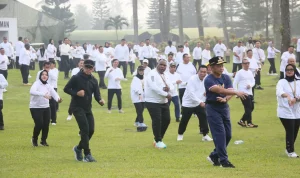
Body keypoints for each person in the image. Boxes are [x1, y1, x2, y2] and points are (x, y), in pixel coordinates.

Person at [205, 57, 248, 168]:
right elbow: (219, 90)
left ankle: (214, 155)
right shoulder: (209, 79)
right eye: (219, 66)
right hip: (212, 108)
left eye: (222, 65)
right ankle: (224, 161)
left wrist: (226, 99)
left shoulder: (226, 77)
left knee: (228, 135)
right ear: (212, 67)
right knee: (220, 134)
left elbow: (229, 91)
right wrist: (236, 92)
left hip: (224, 107)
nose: (221, 68)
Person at [64, 60, 105, 162]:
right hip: (77, 107)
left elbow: (97, 95)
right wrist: (76, 93)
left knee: (91, 130)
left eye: (90, 68)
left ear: (93, 69)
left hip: (87, 108)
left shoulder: (94, 80)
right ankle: (87, 154)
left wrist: (100, 100)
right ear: (83, 67)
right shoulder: (76, 77)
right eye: (86, 67)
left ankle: (78, 148)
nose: (88, 70)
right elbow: (66, 89)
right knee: (85, 130)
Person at [177, 65, 213, 142]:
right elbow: (191, 93)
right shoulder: (192, 79)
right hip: (188, 103)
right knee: (184, 120)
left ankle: (205, 135)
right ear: (198, 71)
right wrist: (200, 102)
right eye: (201, 71)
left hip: (199, 102)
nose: (202, 73)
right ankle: (180, 134)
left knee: (203, 118)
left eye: (204, 72)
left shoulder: (206, 79)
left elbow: (209, 88)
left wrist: (206, 92)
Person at [144, 59, 173, 149]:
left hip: (163, 101)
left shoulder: (165, 75)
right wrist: (165, 94)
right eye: (161, 65)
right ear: (157, 64)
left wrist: (169, 89)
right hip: (152, 101)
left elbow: (171, 85)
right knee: (157, 120)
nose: (162, 67)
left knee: (167, 120)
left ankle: (158, 138)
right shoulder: (152, 74)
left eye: (164, 65)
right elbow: (153, 87)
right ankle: (158, 140)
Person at [30, 70, 62, 147]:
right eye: (43, 74)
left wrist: (58, 98)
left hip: (46, 107)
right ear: (40, 76)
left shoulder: (48, 85)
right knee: (39, 124)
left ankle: (43, 141)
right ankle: (34, 138)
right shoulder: (36, 83)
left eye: (46, 75)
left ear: (48, 77)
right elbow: (32, 91)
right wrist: (43, 94)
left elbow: (54, 93)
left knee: (46, 124)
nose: (44, 76)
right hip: (35, 107)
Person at [276, 64, 300, 158]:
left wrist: (296, 99)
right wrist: (288, 96)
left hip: (297, 110)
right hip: (284, 110)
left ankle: (288, 148)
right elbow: (279, 92)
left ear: (294, 71)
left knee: (295, 130)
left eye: (291, 69)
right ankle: (290, 151)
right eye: (287, 70)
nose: (289, 71)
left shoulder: (297, 82)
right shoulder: (282, 81)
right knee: (290, 129)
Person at [233, 59, 258, 128]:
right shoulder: (239, 72)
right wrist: (236, 93)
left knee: (251, 107)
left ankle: (242, 121)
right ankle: (249, 123)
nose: (247, 64)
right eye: (245, 63)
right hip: (243, 93)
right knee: (248, 108)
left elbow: (253, 81)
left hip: (250, 92)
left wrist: (250, 85)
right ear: (242, 64)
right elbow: (235, 83)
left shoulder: (250, 72)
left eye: (248, 63)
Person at [131, 66, 147, 130]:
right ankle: (141, 122)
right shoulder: (135, 78)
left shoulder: (144, 78)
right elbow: (135, 88)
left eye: (142, 70)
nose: (141, 72)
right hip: (136, 97)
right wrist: (139, 93)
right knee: (139, 110)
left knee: (141, 109)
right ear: (138, 71)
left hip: (143, 97)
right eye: (140, 70)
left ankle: (136, 121)